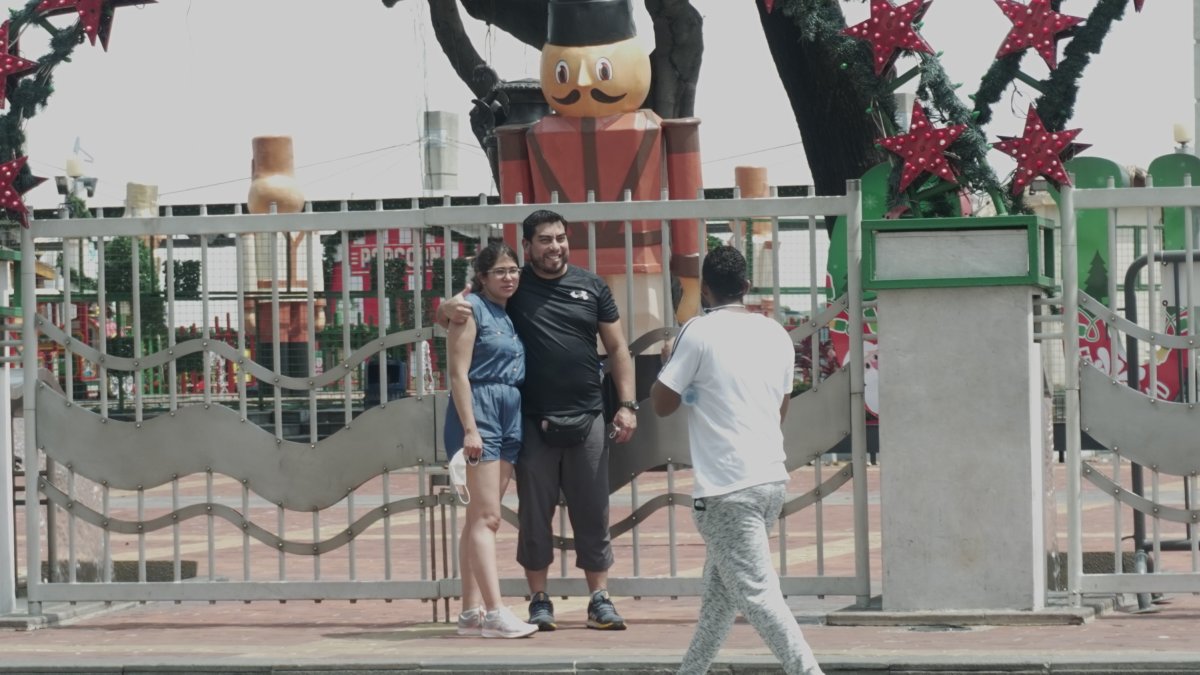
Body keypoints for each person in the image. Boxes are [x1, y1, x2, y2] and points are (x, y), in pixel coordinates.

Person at [439, 209, 639, 631]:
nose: (556, 247)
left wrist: (627, 404)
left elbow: (618, 348)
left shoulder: (592, 285)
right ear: (528, 246)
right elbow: (461, 310)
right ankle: (538, 599)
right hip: (530, 421)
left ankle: (599, 598)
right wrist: (444, 307)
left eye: (561, 238)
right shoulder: (513, 284)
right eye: (545, 240)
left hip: (587, 415)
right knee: (533, 513)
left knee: (593, 510)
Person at [651, 246, 824, 675]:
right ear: (746, 287)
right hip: (769, 479)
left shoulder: (698, 332)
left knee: (757, 594)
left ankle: (808, 671)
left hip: (727, 487)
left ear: (705, 290)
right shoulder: (775, 333)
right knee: (720, 596)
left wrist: (668, 361)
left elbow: (661, 404)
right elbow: (780, 408)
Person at [444, 241, 539, 639]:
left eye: (513, 269)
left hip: (508, 410)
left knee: (478, 518)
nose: (509, 277)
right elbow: (457, 373)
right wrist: (470, 428)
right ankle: (496, 612)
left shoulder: (507, 313)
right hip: (480, 411)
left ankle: (470, 611)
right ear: (481, 278)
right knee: (489, 518)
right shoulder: (470, 312)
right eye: (499, 271)